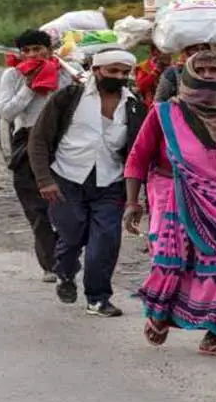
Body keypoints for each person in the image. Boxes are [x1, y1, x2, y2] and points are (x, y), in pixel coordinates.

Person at [124, 50, 216, 357]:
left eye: (214, 69)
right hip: (172, 196)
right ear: (189, 75)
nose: (208, 74)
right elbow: (138, 157)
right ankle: (160, 313)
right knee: (175, 262)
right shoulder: (165, 112)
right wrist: (132, 202)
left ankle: (214, 334)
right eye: (202, 69)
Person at [28, 48, 146, 318]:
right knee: (71, 236)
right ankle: (65, 273)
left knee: (105, 241)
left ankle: (98, 298)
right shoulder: (69, 98)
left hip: (110, 182)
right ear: (96, 70)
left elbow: (137, 151)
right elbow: (39, 139)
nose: (119, 76)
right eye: (112, 71)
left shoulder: (134, 105)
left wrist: (135, 195)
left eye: (124, 72)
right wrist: (45, 180)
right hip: (66, 179)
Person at [0, 29, 74, 284]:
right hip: (27, 140)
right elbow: (7, 112)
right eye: (27, 51)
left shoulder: (64, 71)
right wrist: (30, 87)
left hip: (61, 141)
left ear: (49, 50)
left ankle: (68, 252)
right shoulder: (13, 75)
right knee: (37, 208)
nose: (33, 55)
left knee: (66, 202)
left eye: (37, 49)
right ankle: (50, 263)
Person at [134, 44, 172, 109]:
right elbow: (141, 86)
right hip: (150, 106)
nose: (164, 54)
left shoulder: (174, 66)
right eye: (160, 51)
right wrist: (156, 71)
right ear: (153, 52)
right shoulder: (144, 66)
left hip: (170, 105)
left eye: (167, 51)